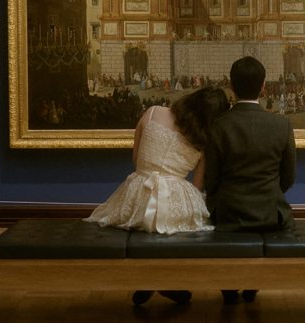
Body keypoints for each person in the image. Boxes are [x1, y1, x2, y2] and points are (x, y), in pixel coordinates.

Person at [86, 85, 230, 305]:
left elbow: (136, 159)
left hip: (137, 193)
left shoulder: (153, 112)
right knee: (187, 227)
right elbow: (198, 185)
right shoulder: (203, 141)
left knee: (144, 226)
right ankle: (164, 281)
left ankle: (151, 279)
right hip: (174, 198)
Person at [204, 56, 297, 304]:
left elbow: (211, 181)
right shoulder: (282, 124)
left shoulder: (219, 126)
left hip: (229, 215)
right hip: (270, 215)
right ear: (263, 86)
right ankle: (252, 283)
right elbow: (289, 177)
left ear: (231, 86)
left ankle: (230, 286)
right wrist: (269, 193)